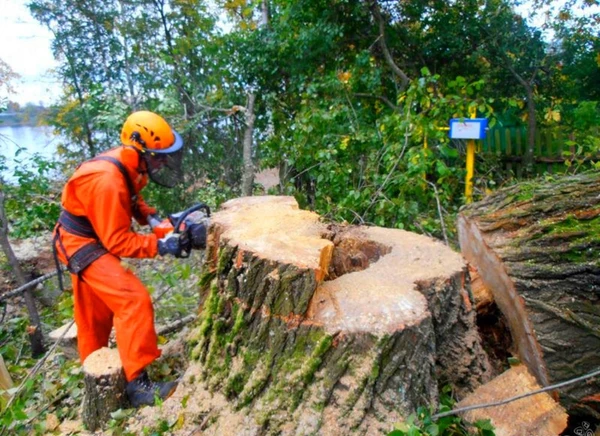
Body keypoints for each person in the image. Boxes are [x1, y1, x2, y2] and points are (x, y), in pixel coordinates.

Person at [52, 111, 188, 407]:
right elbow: (119, 241)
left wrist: (155, 220)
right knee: (132, 300)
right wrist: (163, 246)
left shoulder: (130, 165)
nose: (161, 162)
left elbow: (133, 198)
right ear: (138, 149)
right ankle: (137, 384)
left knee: (94, 314)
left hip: (94, 236)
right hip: (82, 243)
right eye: (157, 157)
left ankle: (98, 377)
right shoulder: (107, 180)